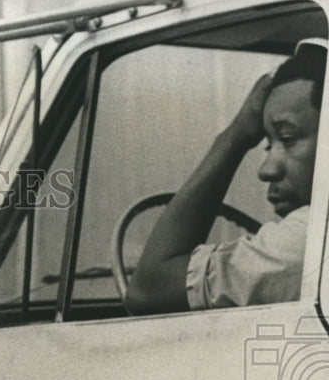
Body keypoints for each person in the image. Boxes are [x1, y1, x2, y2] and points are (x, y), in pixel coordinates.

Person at [125, 39, 325, 314]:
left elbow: (147, 289)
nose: (266, 170)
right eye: (268, 144)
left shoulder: (308, 242)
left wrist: (236, 135)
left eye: (288, 138)